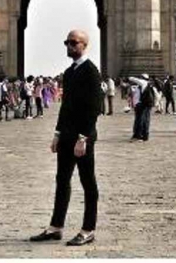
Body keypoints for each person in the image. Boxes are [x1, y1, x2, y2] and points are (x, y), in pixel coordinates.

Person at [30, 29, 102, 247]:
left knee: (88, 182)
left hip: (82, 137)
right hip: (67, 135)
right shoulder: (69, 73)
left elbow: (94, 108)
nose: (69, 46)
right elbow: (66, 107)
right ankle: (56, 227)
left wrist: (83, 138)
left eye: (73, 43)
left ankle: (88, 229)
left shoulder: (91, 71)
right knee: (62, 180)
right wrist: (57, 134)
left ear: (84, 45)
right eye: (67, 43)